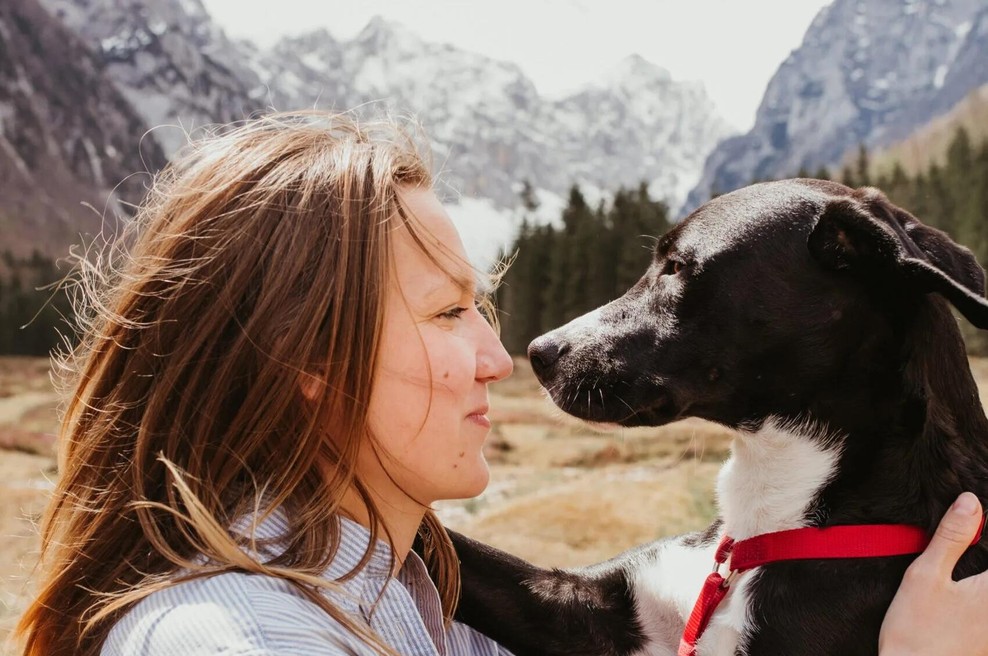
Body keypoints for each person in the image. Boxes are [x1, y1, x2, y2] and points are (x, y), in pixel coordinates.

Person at [11, 110, 988, 656]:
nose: (500, 350)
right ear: (305, 360)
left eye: (477, 307)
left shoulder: (390, 585)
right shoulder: (242, 638)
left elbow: (578, 618)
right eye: (446, 313)